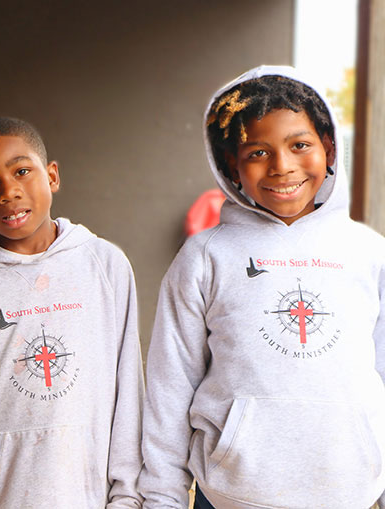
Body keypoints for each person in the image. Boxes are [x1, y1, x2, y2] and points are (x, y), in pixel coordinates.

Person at [139, 66, 385, 509]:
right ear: (232, 164)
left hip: (351, 495)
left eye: (300, 145)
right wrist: (162, 498)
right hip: (231, 496)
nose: (282, 166)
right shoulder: (205, 258)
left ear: (329, 148)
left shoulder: (369, 253)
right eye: (257, 152)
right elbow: (168, 389)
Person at [0, 117, 144, 508]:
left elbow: (129, 390)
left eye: (22, 171)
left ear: (53, 175)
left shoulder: (104, 265)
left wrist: (127, 498)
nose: (8, 192)